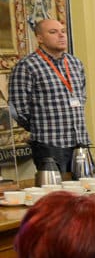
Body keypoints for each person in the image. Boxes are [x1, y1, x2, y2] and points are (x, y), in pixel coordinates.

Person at [9, 19, 90, 172]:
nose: (61, 36)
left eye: (63, 32)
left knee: (84, 191)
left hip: (79, 141)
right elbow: (18, 109)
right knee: (56, 194)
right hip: (49, 144)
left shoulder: (75, 63)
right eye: (53, 32)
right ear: (39, 38)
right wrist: (40, 125)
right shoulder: (27, 66)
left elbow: (82, 97)